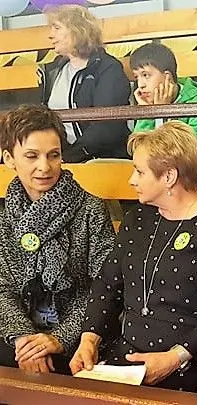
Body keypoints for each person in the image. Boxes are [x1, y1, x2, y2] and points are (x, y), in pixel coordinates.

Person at [69, 121, 197, 392]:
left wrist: (175, 357)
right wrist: (89, 339)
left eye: (140, 172)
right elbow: (107, 285)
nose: (131, 180)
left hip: (192, 365)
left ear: (169, 177)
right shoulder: (137, 219)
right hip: (126, 362)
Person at [0, 104, 115, 374]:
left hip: (79, 337)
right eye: (32, 156)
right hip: (18, 336)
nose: (45, 167)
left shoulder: (91, 209)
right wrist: (24, 340)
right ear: (9, 158)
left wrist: (60, 337)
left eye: (54, 155)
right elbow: (2, 288)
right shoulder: (3, 216)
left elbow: (105, 287)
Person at [40, 4, 131, 162]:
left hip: (99, 159)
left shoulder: (108, 68)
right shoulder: (52, 71)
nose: (50, 35)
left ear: (77, 30)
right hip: (63, 157)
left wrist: (70, 156)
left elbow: (107, 127)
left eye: (57, 28)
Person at [131, 43, 197, 161]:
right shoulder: (149, 103)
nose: (140, 85)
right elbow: (138, 152)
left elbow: (178, 154)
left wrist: (162, 113)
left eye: (146, 75)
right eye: (137, 77)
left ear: (168, 77)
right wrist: (149, 113)